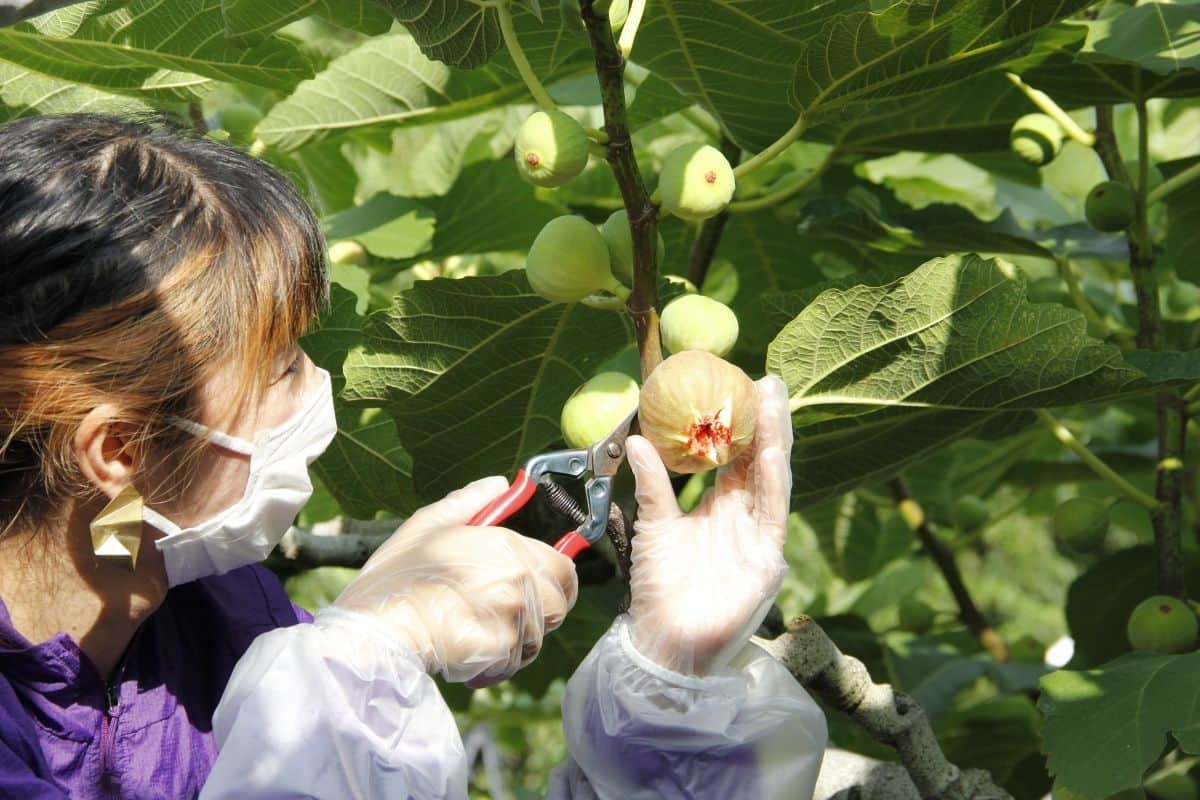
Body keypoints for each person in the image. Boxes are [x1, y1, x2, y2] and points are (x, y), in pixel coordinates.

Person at [0, 113, 827, 800]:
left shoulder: (215, 617)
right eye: (283, 366)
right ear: (120, 449)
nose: (316, 388)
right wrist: (364, 651)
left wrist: (672, 690)